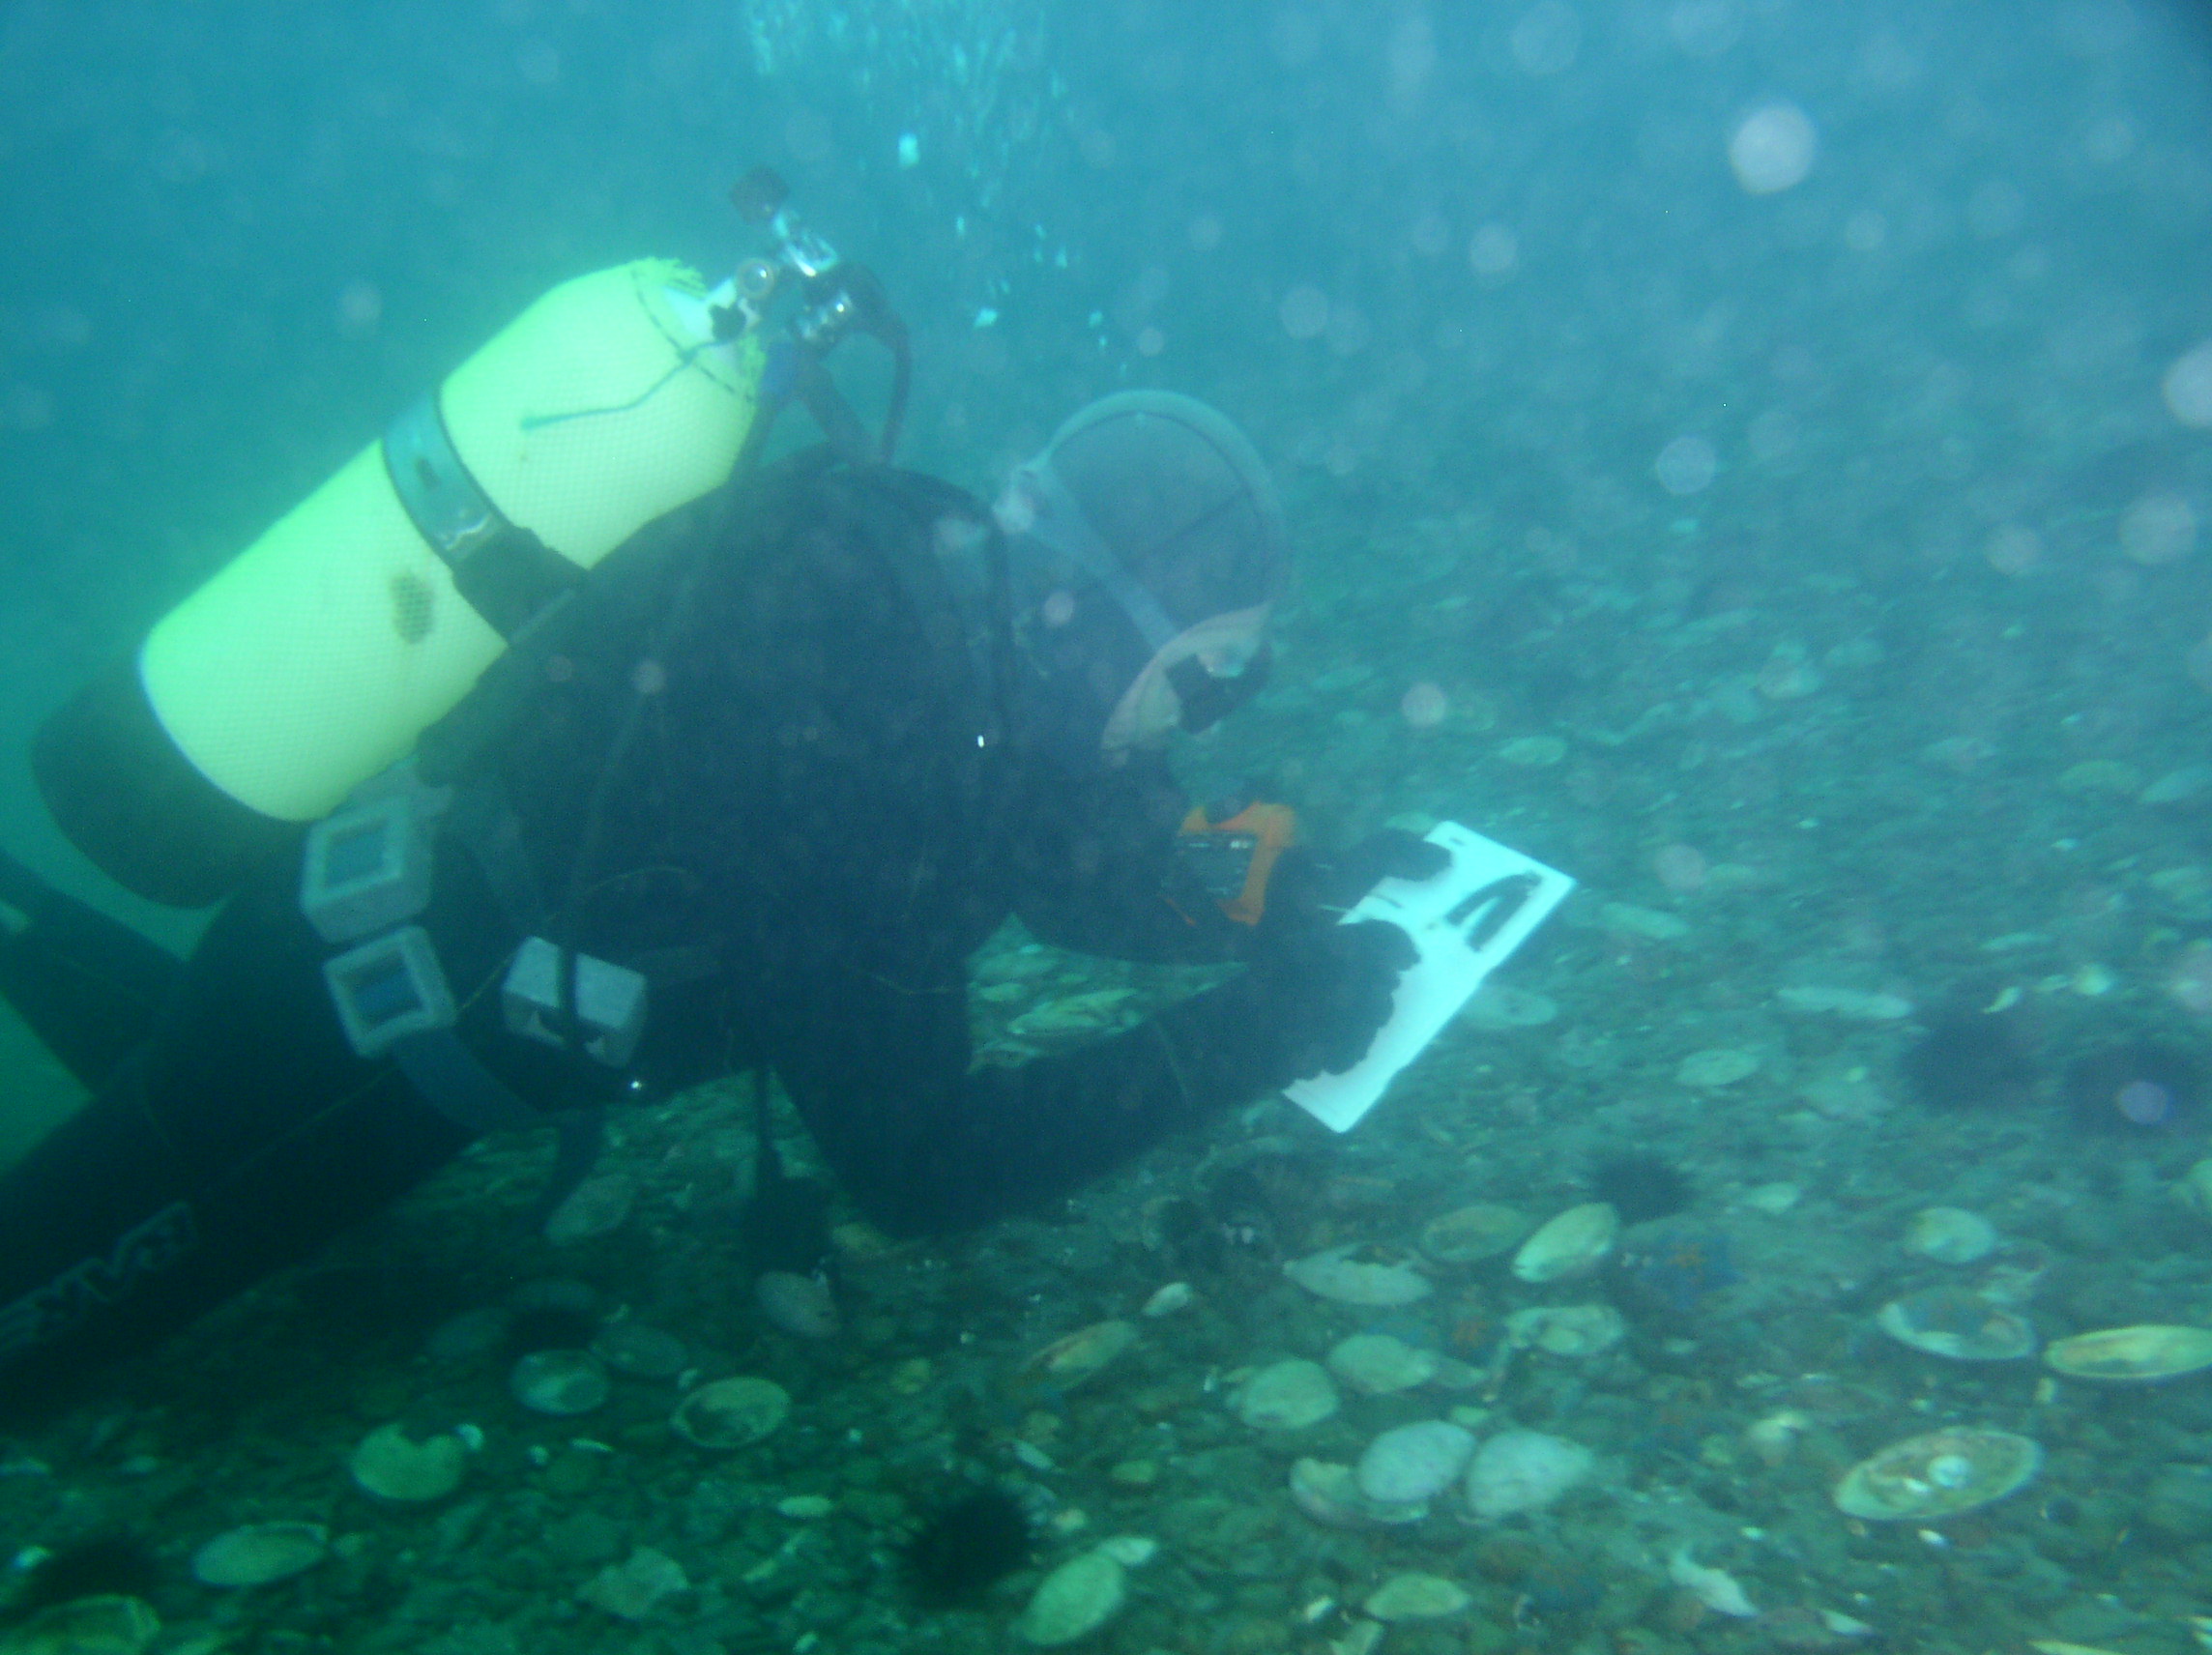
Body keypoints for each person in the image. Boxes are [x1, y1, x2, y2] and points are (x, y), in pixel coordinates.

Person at [0, 389, 1433, 1414]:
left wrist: (1264, 893)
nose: (1196, 727)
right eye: (1207, 673)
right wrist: (1250, 1041)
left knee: (170, 1063)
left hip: (332, 948)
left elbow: (1062, 842)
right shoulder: (873, 749)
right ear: (1113, 622)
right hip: (362, 1054)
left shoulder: (947, 609)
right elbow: (919, 1165)